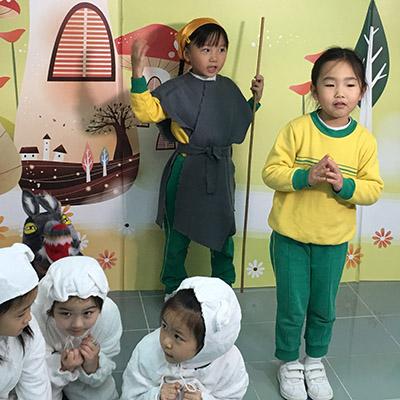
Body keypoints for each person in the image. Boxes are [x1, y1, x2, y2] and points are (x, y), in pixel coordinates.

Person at [262, 47, 383, 400]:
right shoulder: (297, 129)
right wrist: (305, 176)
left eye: (350, 84)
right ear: (315, 90)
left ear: (361, 91)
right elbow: (271, 172)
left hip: (333, 241)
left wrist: (344, 185)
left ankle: (314, 361)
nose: (339, 93)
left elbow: (373, 189)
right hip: (290, 238)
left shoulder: (364, 141)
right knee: (292, 306)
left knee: (324, 307)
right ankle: (289, 362)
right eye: (330, 84)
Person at [130, 17, 264, 296]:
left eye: (222, 49)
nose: (215, 57)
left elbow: (241, 118)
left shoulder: (228, 88)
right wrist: (137, 74)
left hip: (220, 168)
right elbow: (146, 112)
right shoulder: (176, 89)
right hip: (186, 168)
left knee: (223, 230)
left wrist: (255, 99)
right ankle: (172, 287)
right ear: (187, 53)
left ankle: (224, 288)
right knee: (178, 234)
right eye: (206, 49)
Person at [120, 276, 248, 399]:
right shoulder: (148, 350)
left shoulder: (229, 363)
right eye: (164, 326)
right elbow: (130, 394)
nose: (166, 342)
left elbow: (232, 397)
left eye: (177, 336)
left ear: (206, 345)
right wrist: (156, 395)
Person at [31, 256, 122, 400]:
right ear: (50, 309)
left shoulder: (108, 315)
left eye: (88, 313)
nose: (77, 324)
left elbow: (109, 357)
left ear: (100, 309)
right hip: (49, 383)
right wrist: (62, 366)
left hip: (91, 389)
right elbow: (33, 367)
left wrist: (93, 364)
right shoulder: (38, 317)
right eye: (66, 313)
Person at [0, 243, 51, 399]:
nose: (29, 318)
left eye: (30, 307)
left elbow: (36, 385)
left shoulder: (28, 329)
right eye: (21, 313)